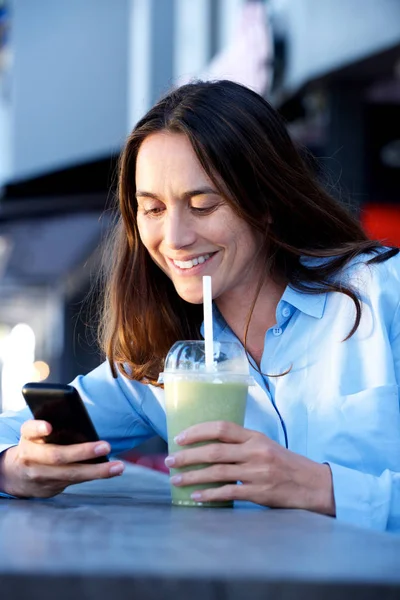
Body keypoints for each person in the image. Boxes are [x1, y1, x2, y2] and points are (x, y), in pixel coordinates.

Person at [0, 80, 399, 532]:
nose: (174, 238)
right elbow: (13, 430)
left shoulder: (384, 294)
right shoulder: (162, 360)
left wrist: (319, 487)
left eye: (203, 204)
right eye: (151, 209)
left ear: (265, 201)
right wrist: (14, 466)